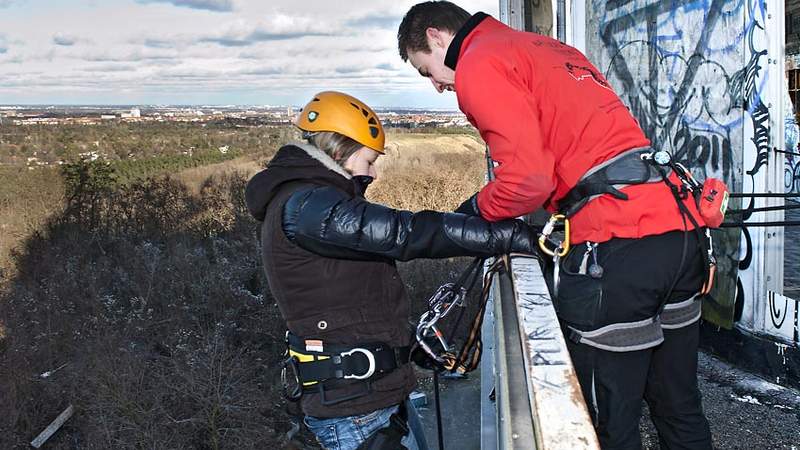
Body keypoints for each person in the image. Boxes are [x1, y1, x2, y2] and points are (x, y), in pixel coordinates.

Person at [397, 2, 713, 449]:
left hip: (617, 248)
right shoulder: (546, 48)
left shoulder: (478, 63)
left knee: (606, 424)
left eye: (425, 70)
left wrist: (472, 210)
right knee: (678, 405)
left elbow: (527, 181)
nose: (435, 86)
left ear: (437, 38)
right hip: (677, 236)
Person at [245, 90, 539, 450]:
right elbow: (404, 233)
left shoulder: (314, 201)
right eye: (368, 160)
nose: (372, 172)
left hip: (372, 399)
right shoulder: (307, 207)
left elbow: (354, 296)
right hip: (355, 410)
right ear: (340, 151)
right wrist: (504, 236)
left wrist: (406, 343)